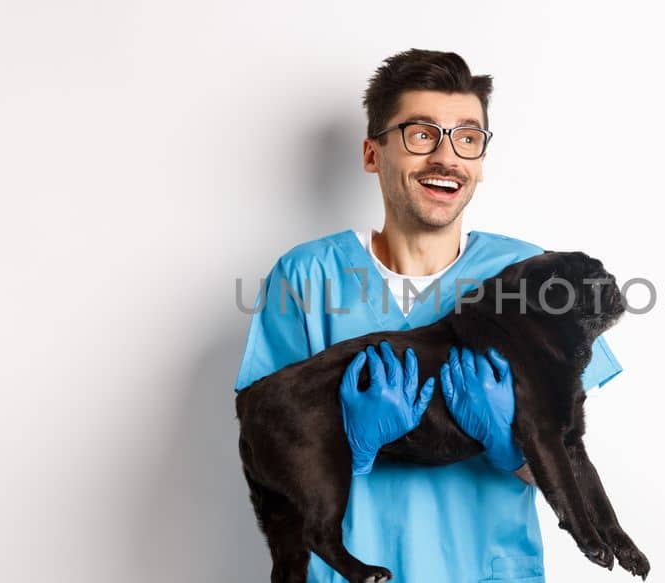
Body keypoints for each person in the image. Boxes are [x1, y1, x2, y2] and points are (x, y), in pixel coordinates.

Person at [234, 48, 622, 583]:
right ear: (373, 154)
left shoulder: (533, 275)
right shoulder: (306, 276)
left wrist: (508, 441)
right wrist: (354, 445)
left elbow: (568, 453)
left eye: (467, 138)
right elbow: (264, 435)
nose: (447, 156)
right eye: (421, 135)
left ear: (481, 162)